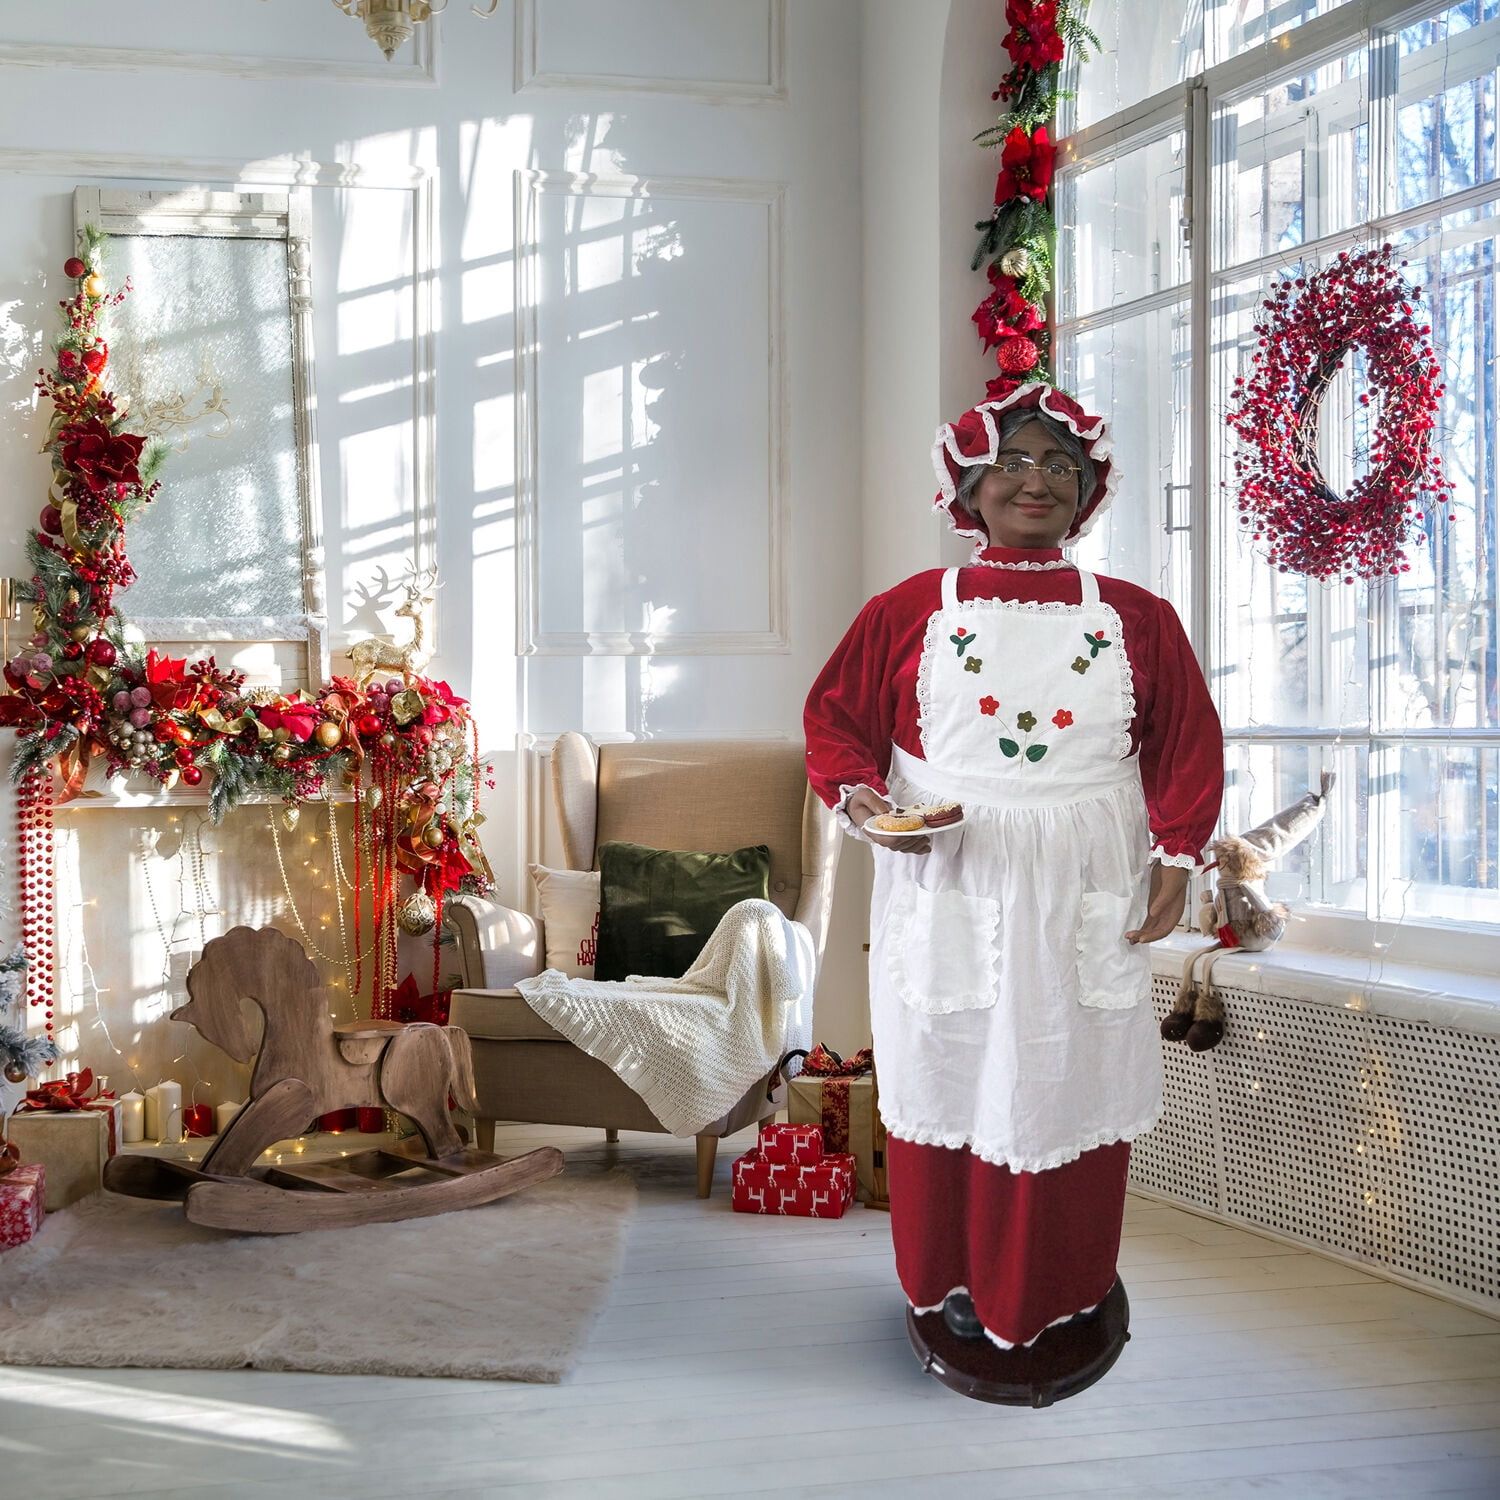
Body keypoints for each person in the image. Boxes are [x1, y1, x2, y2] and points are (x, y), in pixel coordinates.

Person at [803, 382, 1223, 1363]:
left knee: (1066, 1087)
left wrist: (1177, 854)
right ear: (970, 486)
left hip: (1088, 884)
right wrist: (866, 806)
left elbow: (1184, 743)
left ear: (1089, 492)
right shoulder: (908, 609)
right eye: (1018, 463)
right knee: (949, 1080)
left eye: (1062, 467)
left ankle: (1065, 1290)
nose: (1040, 481)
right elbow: (836, 725)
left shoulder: (1138, 618)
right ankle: (948, 1285)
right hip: (952, 881)